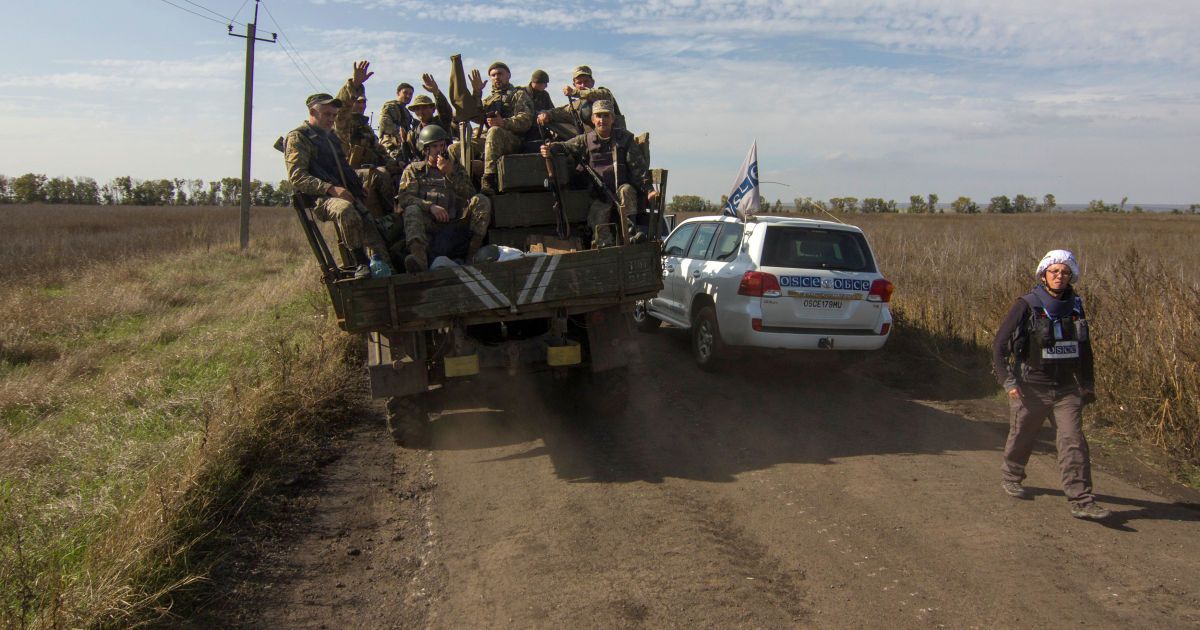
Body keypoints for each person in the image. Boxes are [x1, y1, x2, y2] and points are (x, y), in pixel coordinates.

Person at [992, 249, 1110, 520]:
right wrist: (1008, 381)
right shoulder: (1026, 304)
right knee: (1023, 435)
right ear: (1043, 274)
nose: (1059, 276)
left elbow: (1085, 348)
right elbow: (999, 345)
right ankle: (1012, 475)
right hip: (1030, 387)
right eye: (1054, 271)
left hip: (1067, 389)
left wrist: (1088, 384)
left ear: (1072, 276)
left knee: (1073, 442)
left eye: (1065, 272)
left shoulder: (1076, 306)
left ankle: (1081, 500)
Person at [283, 92, 393, 279]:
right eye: (327, 115)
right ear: (312, 112)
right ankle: (360, 263)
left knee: (375, 237)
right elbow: (297, 176)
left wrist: (357, 186)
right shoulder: (299, 137)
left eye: (334, 115)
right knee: (345, 210)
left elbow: (343, 167)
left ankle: (386, 272)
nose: (331, 119)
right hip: (321, 198)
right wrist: (329, 188)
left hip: (344, 193)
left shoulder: (331, 138)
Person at [539, 100, 656, 248]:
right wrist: (550, 148)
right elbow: (565, 146)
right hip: (599, 195)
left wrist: (649, 190)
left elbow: (637, 167)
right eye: (598, 116)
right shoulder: (586, 139)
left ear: (612, 118)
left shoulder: (624, 138)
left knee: (627, 190)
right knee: (599, 223)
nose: (602, 120)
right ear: (593, 119)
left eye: (606, 116)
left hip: (621, 190)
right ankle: (605, 245)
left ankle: (632, 235)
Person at [397, 125, 492, 272]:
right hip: (429, 225)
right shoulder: (414, 170)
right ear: (425, 148)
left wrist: (450, 174)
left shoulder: (455, 168)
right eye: (434, 146)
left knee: (481, 200)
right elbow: (405, 198)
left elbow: (470, 194)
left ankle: (471, 259)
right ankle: (419, 262)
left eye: (442, 145)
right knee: (411, 210)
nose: (439, 150)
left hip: (455, 224)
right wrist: (430, 207)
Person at [333, 61, 402, 218]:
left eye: (364, 102)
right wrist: (355, 84)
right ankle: (391, 216)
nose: (361, 105)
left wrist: (396, 165)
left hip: (369, 171)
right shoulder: (343, 124)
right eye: (357, 102)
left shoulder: (366, 129)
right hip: (349, 174)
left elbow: (380, 152)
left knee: (401, 173)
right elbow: (341, 108)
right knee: (381, 174)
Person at [476, 61, 534, 194]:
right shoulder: (489, 99)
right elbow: (472, 115)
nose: (496, 77)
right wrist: (477, 94)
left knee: (494, 131)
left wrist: (503, 123)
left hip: (513, 140)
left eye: (500, 73)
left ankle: (489, 180)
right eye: (493, 75)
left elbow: (526, 120)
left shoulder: (518, 94)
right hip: (490, 141)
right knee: (455, 148)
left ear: (508, 75)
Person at [537, 65, 624, 136]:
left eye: (586, 81)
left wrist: (575, 92)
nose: (583, 85)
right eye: (579, 83)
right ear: (574, 84)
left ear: (593, 82)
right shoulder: (576, 106)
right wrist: (546, 114)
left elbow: (594, 94)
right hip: (594, 145)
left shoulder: (604, 95)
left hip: (617, 141)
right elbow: (560, 111)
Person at [379, 81, 416, 157]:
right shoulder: (390, 107)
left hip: (403, 144)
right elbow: (385, 126)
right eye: (405, 93)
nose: (408, 96)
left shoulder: (407, 113)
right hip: (389, 143)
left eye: (410, 94)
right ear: (398, 93)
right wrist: (401, 133)